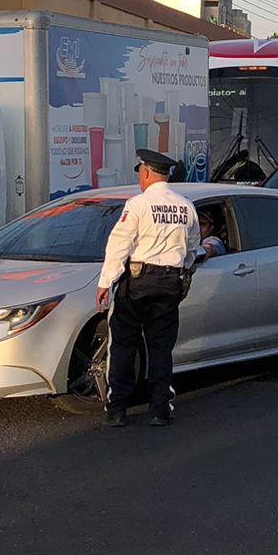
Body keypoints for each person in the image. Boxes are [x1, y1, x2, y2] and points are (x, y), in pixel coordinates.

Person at [96, 149, 197, 428]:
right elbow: (193, 248)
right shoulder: (185, 206)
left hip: (138, 282)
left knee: (124, 345)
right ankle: (160, 410)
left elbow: (120, 244)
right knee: (161, 347)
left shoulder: (137, 204)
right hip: (169, 282)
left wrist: (106, 282)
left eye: (140, 173)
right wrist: (182, 271)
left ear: (146, 173)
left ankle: (117, 409)